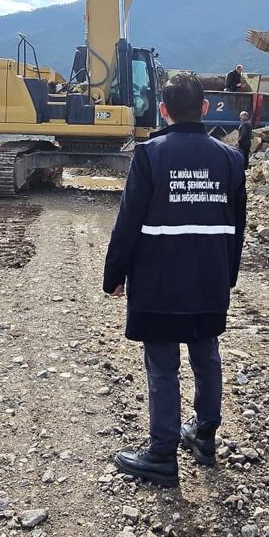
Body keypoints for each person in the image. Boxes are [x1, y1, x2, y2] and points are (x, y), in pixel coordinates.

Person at [103, 71, 248, 487]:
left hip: (159, 278)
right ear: (204, 108)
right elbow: (237, 226)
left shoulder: (150, 155)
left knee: (163, 363)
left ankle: (163, 453)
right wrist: (228, 277)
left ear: (163, 111)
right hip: (209, 278)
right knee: (207, 354)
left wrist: (115, 275)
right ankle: (204, 436)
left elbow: (128, 221)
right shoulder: (231, 158)